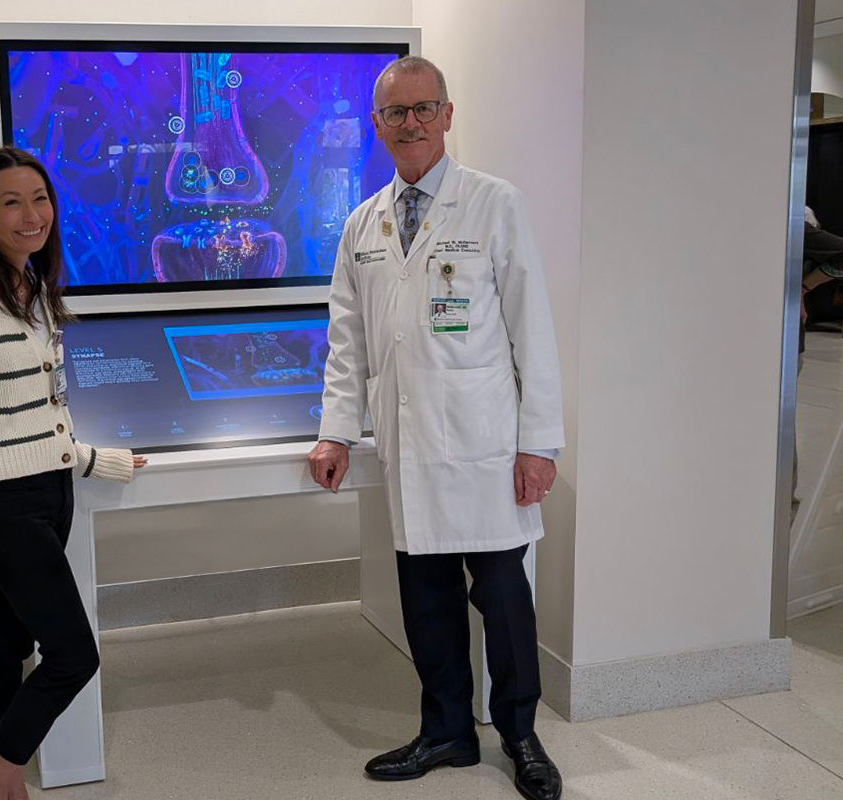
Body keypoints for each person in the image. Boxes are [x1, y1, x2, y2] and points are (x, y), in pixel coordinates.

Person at [307, 57, 564, 800]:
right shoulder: (363, 223)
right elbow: (347, 339)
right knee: (427, 601)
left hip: (486, 444)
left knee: (503, 600)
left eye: (424, 109)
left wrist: (538, 444)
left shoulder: (493, 203)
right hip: (410, 445)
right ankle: (447, 730)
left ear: (448, 116)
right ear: (377, 125)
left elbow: (533, 330)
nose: (411, 123)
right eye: (396, 113)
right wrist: (335, 430)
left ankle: (520, 733)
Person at [0, 147, 146, 800]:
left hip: (50, 492)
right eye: (12, 202)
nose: (31, 215)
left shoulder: (33, 288)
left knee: (10, 635)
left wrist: (97, 461)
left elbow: (43, 411)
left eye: (40, 199)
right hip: (5, 505)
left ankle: (1, 779)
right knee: (73, 656)